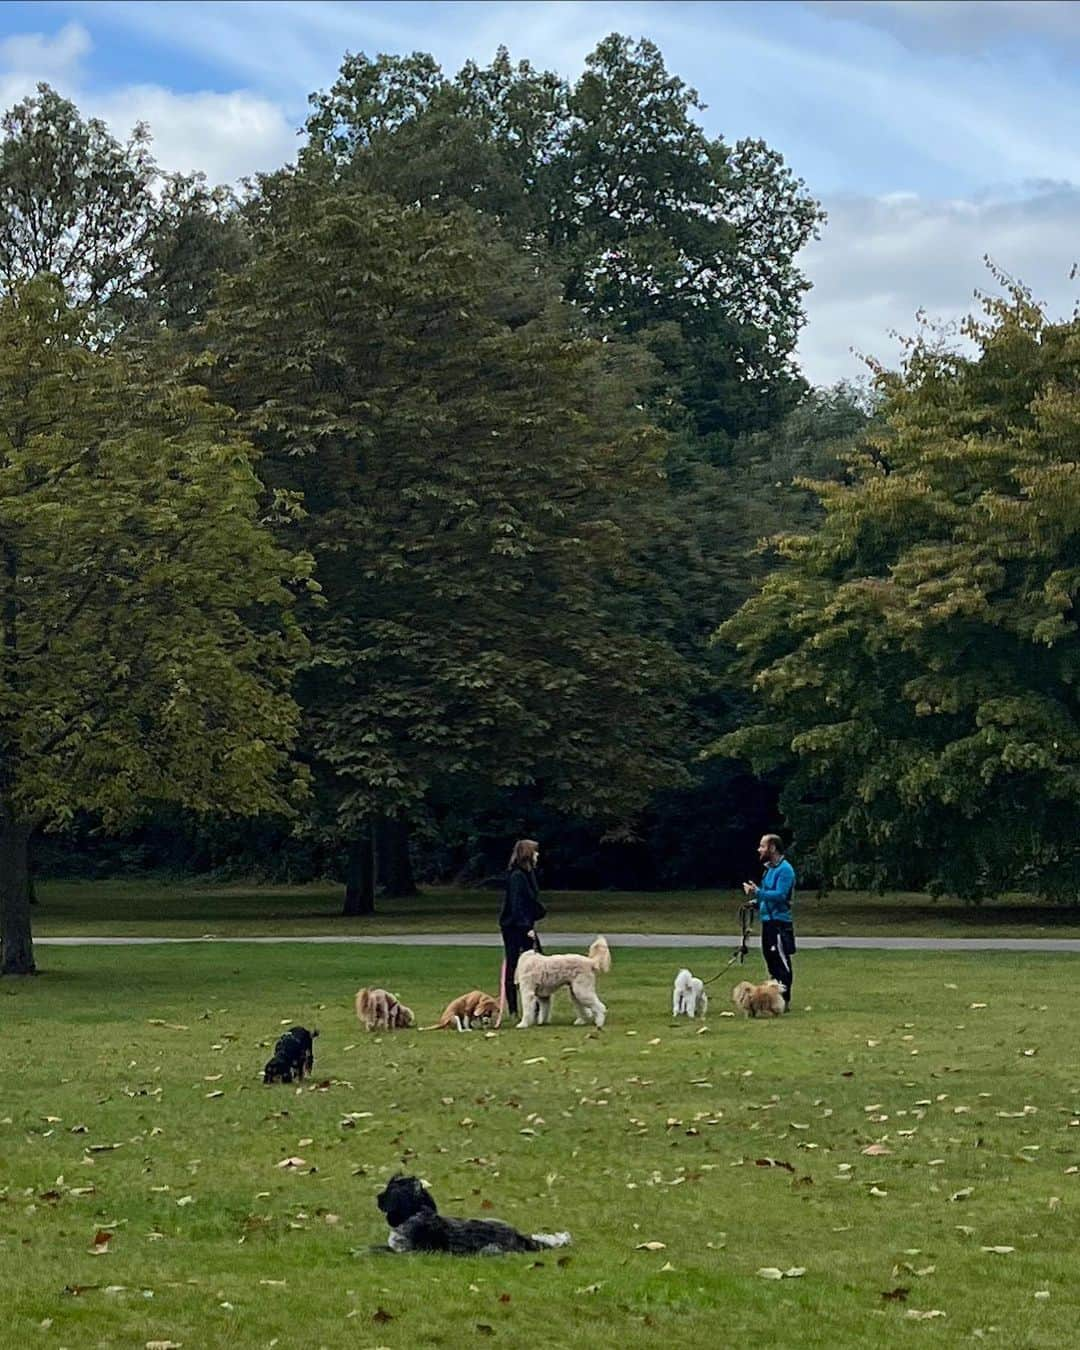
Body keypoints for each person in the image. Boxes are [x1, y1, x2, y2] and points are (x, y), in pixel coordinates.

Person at [742, 834, 796, 1010]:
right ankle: (772, 1000)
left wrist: (758, 892)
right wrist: (756, 903)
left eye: (762, 846)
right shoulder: (769, 870)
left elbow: (780, 895)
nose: (759, 850)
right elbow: (768, 896)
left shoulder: (785, 870)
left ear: (772, 848)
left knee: (781, 963)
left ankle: (784, 1000)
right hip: (767, 922)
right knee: (771, 961)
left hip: (779, 923)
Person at [499, 839, 546, 1019]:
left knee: (537, 963)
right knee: (516, 965)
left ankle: (535, 1007)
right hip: (515, 927)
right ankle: (514, 1009)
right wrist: (526, 927)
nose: (537, 855)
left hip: (524, 923)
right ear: (528, 853)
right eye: (535, 851)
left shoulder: (527, 874)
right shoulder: (517, 876)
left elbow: (530, 900)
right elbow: (517, 904)